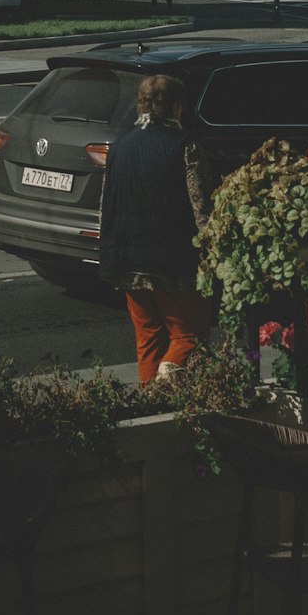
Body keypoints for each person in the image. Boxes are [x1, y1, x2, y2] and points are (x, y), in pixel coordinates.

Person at [98, 74, 210, 383]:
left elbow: (107, 204)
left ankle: (150, 402)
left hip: (124, 258)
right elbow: (200, 206)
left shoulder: (119, 146)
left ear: (140, 105)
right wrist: (214, 247)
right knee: (189, 336)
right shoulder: (184, 146)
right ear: (176, 106)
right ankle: (166, 379)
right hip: (170, 261)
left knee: (148, 339)